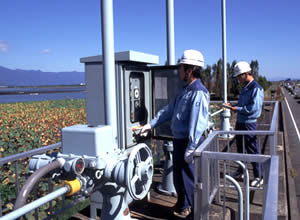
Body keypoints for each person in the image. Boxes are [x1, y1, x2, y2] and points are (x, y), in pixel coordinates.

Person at [140, 49, 209, 219]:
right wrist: (151, 124)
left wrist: (192, 148)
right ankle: (183, 206)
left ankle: (197, 214)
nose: (179, 71)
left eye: (181, 67)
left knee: (190, 180)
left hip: (189, 143)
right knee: (179, 178)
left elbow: (197, 125)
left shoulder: (198, 92)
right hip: (179, 141)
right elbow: (169, 111)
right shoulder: (185, 90)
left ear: (189, 70)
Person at [224, 61, 264, 187]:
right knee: (240, 148)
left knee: (252, 150)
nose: (238, 80)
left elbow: (254, 109)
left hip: (249, 123)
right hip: (241, 122)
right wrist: (234, 106)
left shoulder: (256, 88)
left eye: (238, 77)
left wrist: (237, 109)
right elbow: (244, 105)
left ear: (245, 74)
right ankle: (241, 170)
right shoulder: (245, 88)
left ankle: (259, 176)